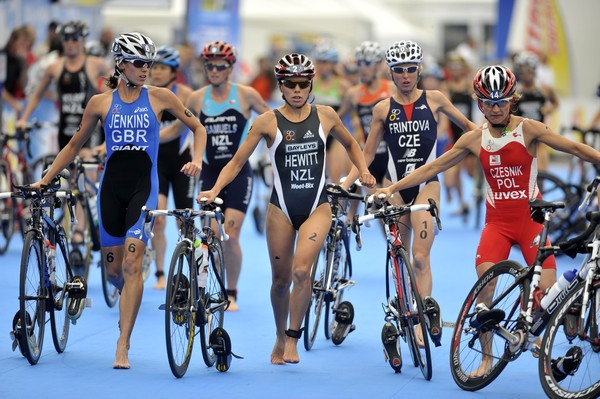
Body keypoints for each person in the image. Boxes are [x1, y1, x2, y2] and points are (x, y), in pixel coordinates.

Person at [373, 65, 600, 375]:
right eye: (488, 103)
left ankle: (557, 322)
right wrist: (393, 188)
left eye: (501, 102)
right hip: (497, 225)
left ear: (512, 100)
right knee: (486, 293)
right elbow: (431, 169)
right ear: (479, 104)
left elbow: (573, 147)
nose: (495, 109)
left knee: (548, 297)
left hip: (530, 222)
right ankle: (485, 359)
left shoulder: (529, 129)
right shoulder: (473, 139)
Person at [31, 32, 206, 369]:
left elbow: (197, 128)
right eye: (139, 63)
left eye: (149, 64)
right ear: (121, 64)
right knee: (114, 272)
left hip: (145, 186)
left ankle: (122, 343)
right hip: (112, 189)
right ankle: (123, 292)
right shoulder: (100, 102)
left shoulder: (161, 97)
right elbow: (73, 146)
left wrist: (196, 158)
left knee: (131, 265)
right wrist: (47, 178)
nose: (146, 70)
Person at [197, 53, 375, 365]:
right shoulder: (267, 122)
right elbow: (237, 161)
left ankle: (293, 337)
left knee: (301, 271)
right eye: (290, 84)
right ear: (280, 85)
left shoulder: (326, 116)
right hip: (280, 209)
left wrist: (361, 171)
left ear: (310, 85)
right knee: (280, 281)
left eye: (302, 83)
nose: (296, 89)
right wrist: (214, 189)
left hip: (317, 207)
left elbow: (350, 144)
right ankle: (279, 335)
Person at [342, 40, 478, 352]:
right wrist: (349, 182)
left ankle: (420, 318)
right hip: (394, 188)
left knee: (419, 257)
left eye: (411, 69)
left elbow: (471, 129)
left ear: (419, 71)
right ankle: (404, 306)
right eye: (400, 70)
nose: (406, 75)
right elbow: (365, 153)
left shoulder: (436, 99)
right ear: (390, 72)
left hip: (427, 185)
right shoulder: (381, 109)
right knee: (397, 255)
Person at [162, 40, 270, 310]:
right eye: (209, 65)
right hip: (210, 173)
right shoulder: (197, 98)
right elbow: (177, 129)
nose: (214, 70)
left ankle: (231, 291)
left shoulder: (246, 95)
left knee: (231, 234)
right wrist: (147, 139)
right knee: (207, 235)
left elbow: (272, 121)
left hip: (239, 173)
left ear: (230, 67)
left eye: (220, 66)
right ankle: (207, 287)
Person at [17, 20, 110, 150]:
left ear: (83, 40)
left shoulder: (96, 64)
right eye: (66, 39)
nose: (70, 43)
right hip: (65, 129)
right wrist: (24, 119)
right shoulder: (54, 67)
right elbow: (37, 95)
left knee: (87, 164)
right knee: (66, 169)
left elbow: (118, 88)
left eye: (74, 39)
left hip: (89, 130)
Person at [148, 45, 194, 289]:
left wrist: (149, 136)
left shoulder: (185, 94)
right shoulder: (146, 93)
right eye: (154, 67)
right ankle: (160, 273)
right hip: (158, 164)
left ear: (174, 71)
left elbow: (181, 128)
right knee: (159, 221)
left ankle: (188, 270)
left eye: (163, 68)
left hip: (182, 164)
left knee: (183, 221)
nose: (157, 72)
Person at [512, 50, 559, 172]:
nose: (526, 74)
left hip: (540, 136)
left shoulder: (544, 90)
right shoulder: (515, 92)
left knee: (542, 170)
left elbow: (555, 103)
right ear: (519, 71)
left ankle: (541, 189)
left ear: (534, 70)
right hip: (521, 137)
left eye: (529, 70)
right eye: (522, 70)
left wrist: (549, 108)